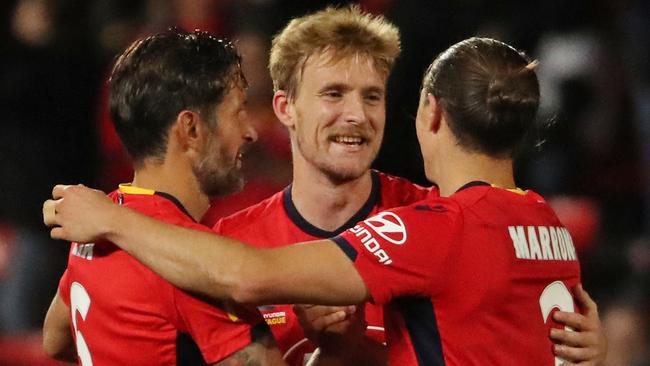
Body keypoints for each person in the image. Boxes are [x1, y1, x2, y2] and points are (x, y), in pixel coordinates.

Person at [44, 37, 607, 365]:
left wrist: (111, 219)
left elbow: (57, 337)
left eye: (373, 96)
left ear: (427, 114)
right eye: (333, 94)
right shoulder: (544, 218)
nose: (249, 131)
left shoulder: (429, 223)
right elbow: (239, 277)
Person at [41, 28, 284, 365]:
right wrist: (330, 350)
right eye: (238, 110)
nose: (250, 131)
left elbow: (54, 340)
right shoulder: (191, 268)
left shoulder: (95, 222)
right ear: (191, 129)